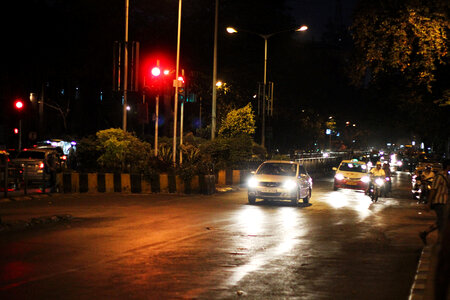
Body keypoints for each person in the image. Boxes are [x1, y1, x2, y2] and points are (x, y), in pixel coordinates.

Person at [419, 159, 450, 245]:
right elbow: (433, 189)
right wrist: (429, 202)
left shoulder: (446, 176)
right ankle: (440, 240)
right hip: (439, 202)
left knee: (442, 221)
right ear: (447, 166)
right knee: (442, 222)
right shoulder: (439, 176)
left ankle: (425, 233)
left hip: (444, 202)